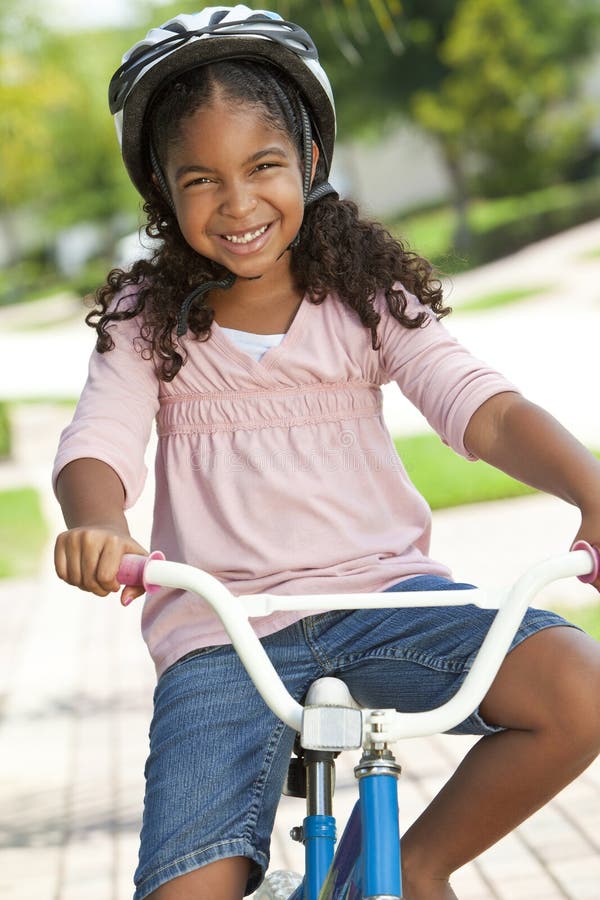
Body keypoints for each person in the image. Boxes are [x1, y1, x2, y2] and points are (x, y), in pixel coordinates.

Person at [52, 7, 600, 899]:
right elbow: (97, 443)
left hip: (385, 600)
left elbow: (484, 411)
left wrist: (590, 488)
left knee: (578, 688)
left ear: (309, 161)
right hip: (224, 634)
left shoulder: (364, 297)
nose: (237, 204)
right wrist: (98, 521)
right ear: (161, 190)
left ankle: (412, 867)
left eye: (263, 166)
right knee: (186, 889)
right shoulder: (146, 321)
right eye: (201, 179)